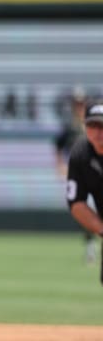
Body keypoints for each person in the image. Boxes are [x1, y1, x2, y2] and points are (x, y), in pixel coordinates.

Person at [54, 87, 97, 264]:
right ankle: (90, 249)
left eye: (81, 103)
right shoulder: (70, 130)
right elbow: (58, 147)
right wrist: (60, 166)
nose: (79, 107)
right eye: (76, 104)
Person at [66, 99, 103, 285]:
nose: (99, 132)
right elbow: (76, 202)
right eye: (93, 125)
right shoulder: (81, 153)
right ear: (85, 126)